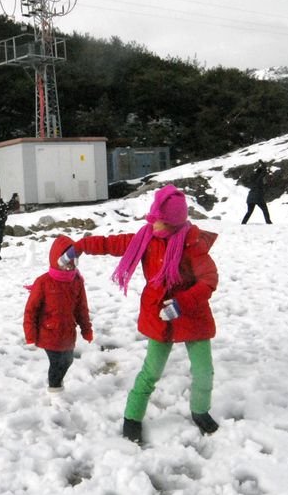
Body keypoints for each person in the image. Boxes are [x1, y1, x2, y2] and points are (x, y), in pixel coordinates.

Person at [61, 184, 220, 443]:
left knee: (204, 371)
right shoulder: (146, 238)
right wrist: (79, 246)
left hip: (192, 313)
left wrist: (182, 303)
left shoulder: (192, 243)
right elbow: (109, 243)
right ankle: (132, 417)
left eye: (159, 221)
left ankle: (200, 411)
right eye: (152, 219)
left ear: (174, 224)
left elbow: (209, 280)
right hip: (159, 314)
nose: (153, 225)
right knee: (151, 371)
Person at [23, 235, 93, 393]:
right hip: (48, 332)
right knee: (57, 363)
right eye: (65, 261)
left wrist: (86, 329)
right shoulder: (43, 282)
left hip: (67, 332)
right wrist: (30, 334)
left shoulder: (76, 281)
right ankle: (55, 391)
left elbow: (81, 307)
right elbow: (31, 310)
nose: (69, 266)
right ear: (56, 259)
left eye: (72, 261)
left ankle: (57, 384)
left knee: (67, 360)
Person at [241, 160, 273, 224]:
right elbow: (264, 170)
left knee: (249, 212)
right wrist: (262, 163)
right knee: (265, 210)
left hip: (250, 197)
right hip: (258, 197)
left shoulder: (253, 178)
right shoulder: (260, 177)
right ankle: (268, 222)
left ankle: (243, 223)